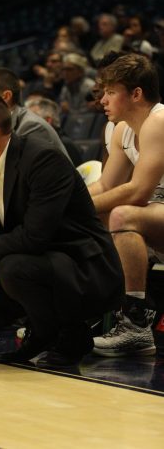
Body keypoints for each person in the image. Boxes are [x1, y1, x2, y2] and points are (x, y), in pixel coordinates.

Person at [0, 92, 124, 368]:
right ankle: (42, 329)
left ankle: (71, 334)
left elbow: (36, 236)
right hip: (46, 261)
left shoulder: (44, 159)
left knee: (10, 266)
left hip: (85, 269)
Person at [88, 53, 164, 357]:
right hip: (158, 210)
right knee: (91, 214)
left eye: (110, 92)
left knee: (121, 214)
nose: (102, 101)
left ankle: (135, 325)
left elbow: (138, 192)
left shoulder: (158, 120)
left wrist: (76, 207)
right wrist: (66, 199)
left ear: (136, 94)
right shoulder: (123, 129)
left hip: (156, 204)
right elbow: (106, 185)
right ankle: (83, 313)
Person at [25, 96, 83, 166]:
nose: (26, 122)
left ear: (47, 120)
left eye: (32, 117)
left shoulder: (66, 145)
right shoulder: (32, 143)